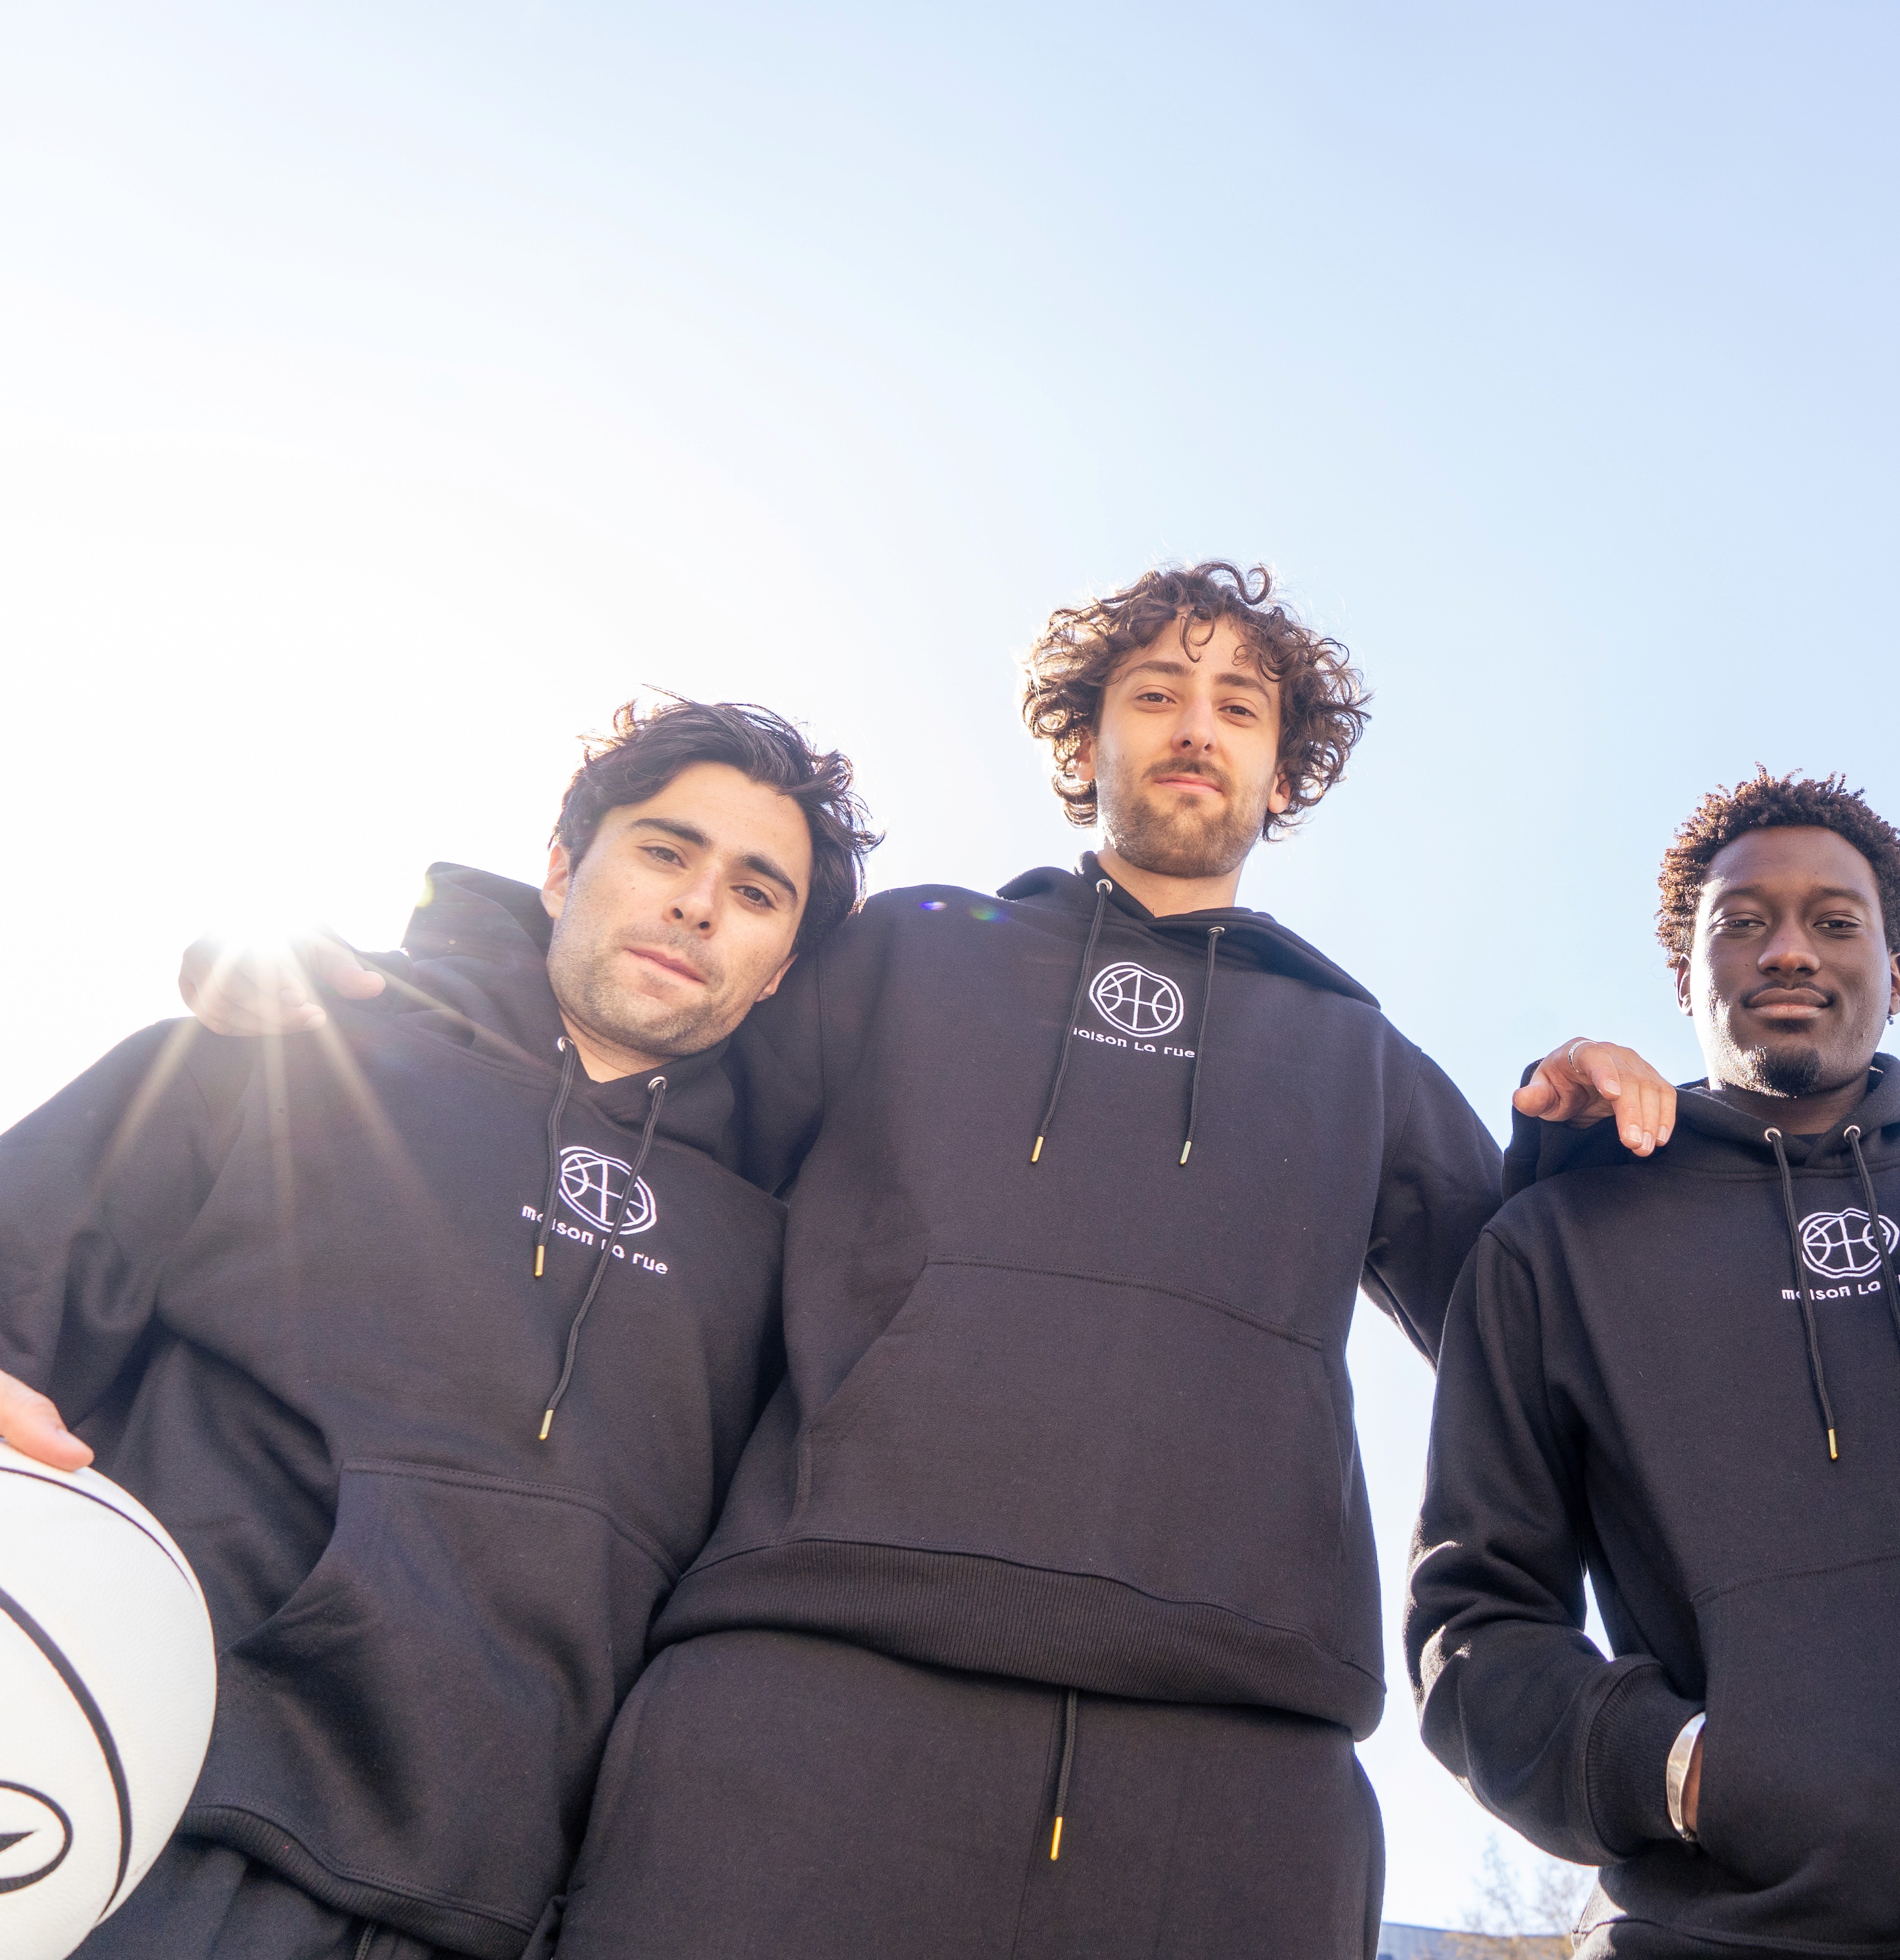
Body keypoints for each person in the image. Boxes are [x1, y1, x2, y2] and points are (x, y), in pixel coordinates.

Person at [186, 563, 1679, 1960]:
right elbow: (648, 1046)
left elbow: (1532, 1336)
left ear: (1284, 775)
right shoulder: (905, 953)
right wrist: (445, 982)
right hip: (804, 1676)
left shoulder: (1360, 1058)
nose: (1193, 729)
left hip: (1235, 1751)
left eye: (1239, 707)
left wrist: (1589, 1152)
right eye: (1154, 692)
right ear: (1083, 740)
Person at [0, 701, 874, 1960]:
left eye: (755, 890)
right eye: (666, 852)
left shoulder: (780, 1247)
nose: (698, 905)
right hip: (133, 1805)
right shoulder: (304, 1051)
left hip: (482, 1899)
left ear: (783, 964)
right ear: (567, 867)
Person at [1408, 771, 1900, 1959]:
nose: (1788, 950)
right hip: (1726, 1927)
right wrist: (1679, 1770)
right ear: (1686, 975)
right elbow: (1473, 1618)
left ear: (1898, 977)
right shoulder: (1551, 1247)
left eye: (1837, 921)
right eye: (1741, 922)